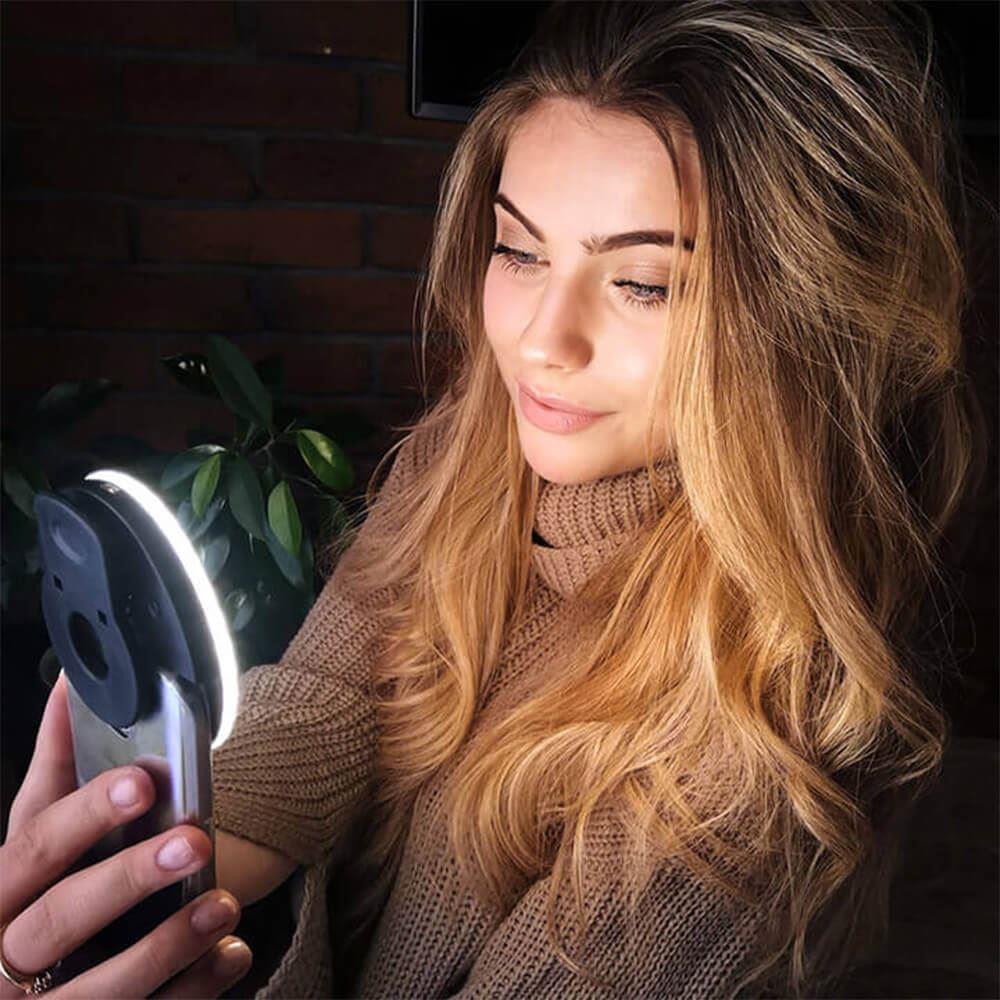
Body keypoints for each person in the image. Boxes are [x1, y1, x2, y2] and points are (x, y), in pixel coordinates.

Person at [1, 1, 985, 997]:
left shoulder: (759, 745)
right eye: (519, 250)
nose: (541, 341)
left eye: (644, 284)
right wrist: (154, 873)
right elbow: (335, 696)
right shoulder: (472, 455)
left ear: (806, 315)